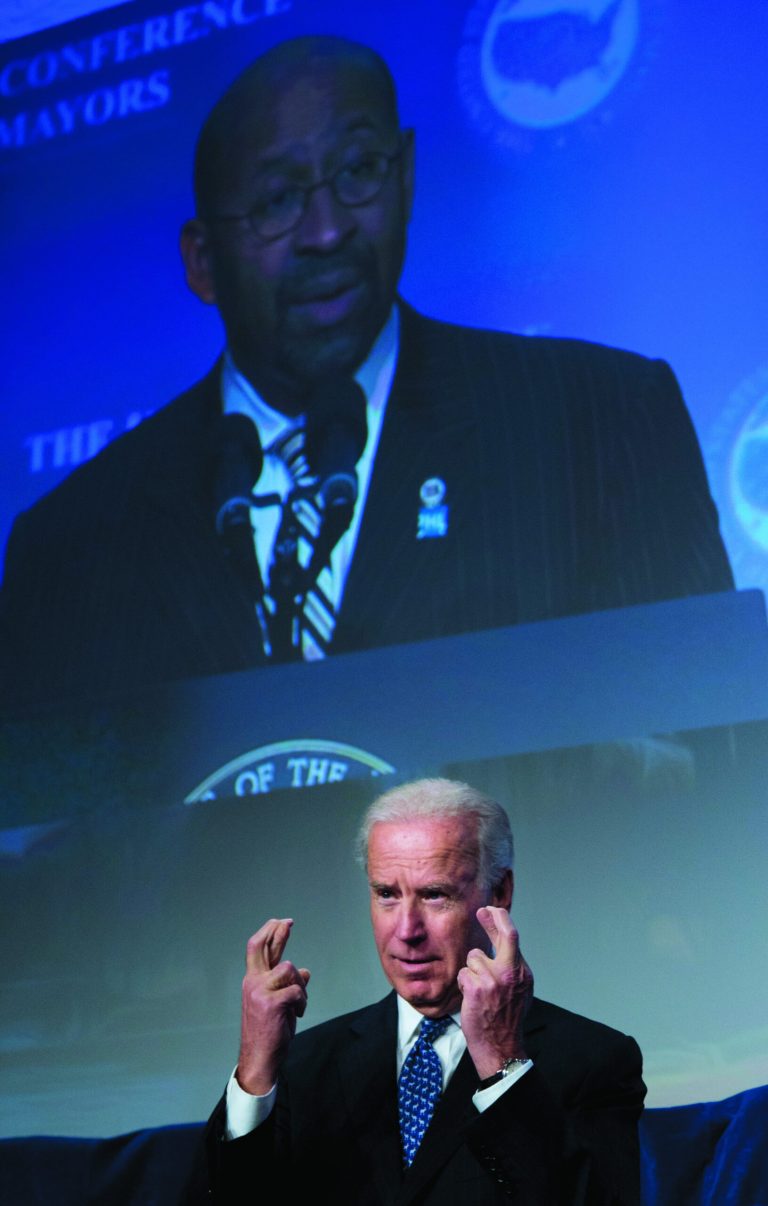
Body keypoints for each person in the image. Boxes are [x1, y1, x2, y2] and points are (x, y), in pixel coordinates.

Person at [0, 36, 733, 708]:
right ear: (201, 262)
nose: (327, 230)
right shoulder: (69, 548)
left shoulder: (598, 426)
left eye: (357, 172)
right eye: (277, 200)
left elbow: (706, 766)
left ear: (407, 178)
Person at [206, 778, 645, 1203]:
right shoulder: (301, 1067)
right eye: (386, 894)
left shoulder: (595, 1060)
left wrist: (501, 1064)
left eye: (434, 895)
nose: (406, 930)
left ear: (500, 891)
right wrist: (255, 1069)